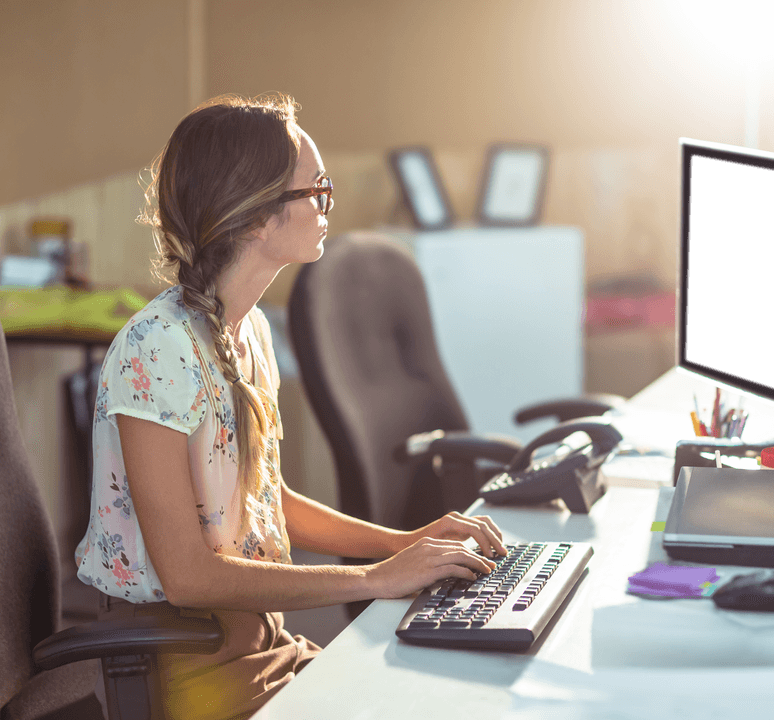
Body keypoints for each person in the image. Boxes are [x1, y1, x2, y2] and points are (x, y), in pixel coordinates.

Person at [74, 93, 507, 720]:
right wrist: (375, 578)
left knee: (445, 693)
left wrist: (406, 544)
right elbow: (188, 576)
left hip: (263, 640)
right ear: (256, 217)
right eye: (317, 190)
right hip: (191, 666)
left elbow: (265, 499)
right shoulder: (156, 350)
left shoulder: (245, 331)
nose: (329, 204)